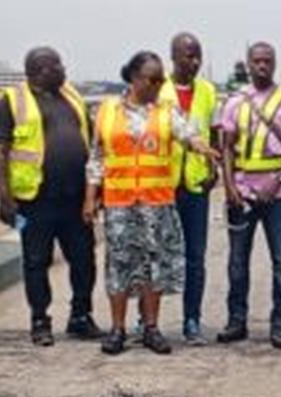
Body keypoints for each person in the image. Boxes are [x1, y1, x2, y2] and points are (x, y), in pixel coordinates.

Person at [84, 51, 219, 355]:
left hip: (156, 204)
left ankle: (151, 328)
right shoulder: (107, 111)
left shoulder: (166, 111)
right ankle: (117, 329)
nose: (159, 84)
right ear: (134, 78)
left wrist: (202, 147)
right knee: (119, 266)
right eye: (152, 79)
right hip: (119, 203)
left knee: (153, 267)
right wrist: (90, 198)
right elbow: (97, 158)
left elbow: (187, 135)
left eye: (161, 79)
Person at [0, 47, 101, 347]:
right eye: (57, 65)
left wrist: (94, 191)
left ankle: (80, 315)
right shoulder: (12, 102)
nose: (64, 69)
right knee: (36, 261)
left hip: (75, 198)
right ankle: (40, 320)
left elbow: (91, 142)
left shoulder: (72, 97)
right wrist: (5, 196)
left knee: (84, 259)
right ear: (40, 70)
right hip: (35, 200)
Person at [217, 42, 281, 349]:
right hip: (241, 193)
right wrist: (229, 187)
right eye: (257, 61)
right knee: (237, 263)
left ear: (275, 63)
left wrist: (279, 179)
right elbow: (227, 147)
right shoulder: (235, 102)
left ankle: (279, 324)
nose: (262, 66)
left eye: (267, 61)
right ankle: (236, 321)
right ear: (248, 63)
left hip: (278, 195)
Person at [158, 32, 220, 346]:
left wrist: (213, 169)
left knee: (195, 257)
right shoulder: (159, 89)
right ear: (173, 56)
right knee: (158, 255)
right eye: (187, 56)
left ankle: (192, 320)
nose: (194, 62)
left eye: (198, 56)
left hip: (195, 186)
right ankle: (148, 321)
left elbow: (215, 133)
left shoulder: (208, 91)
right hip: (163, 186)